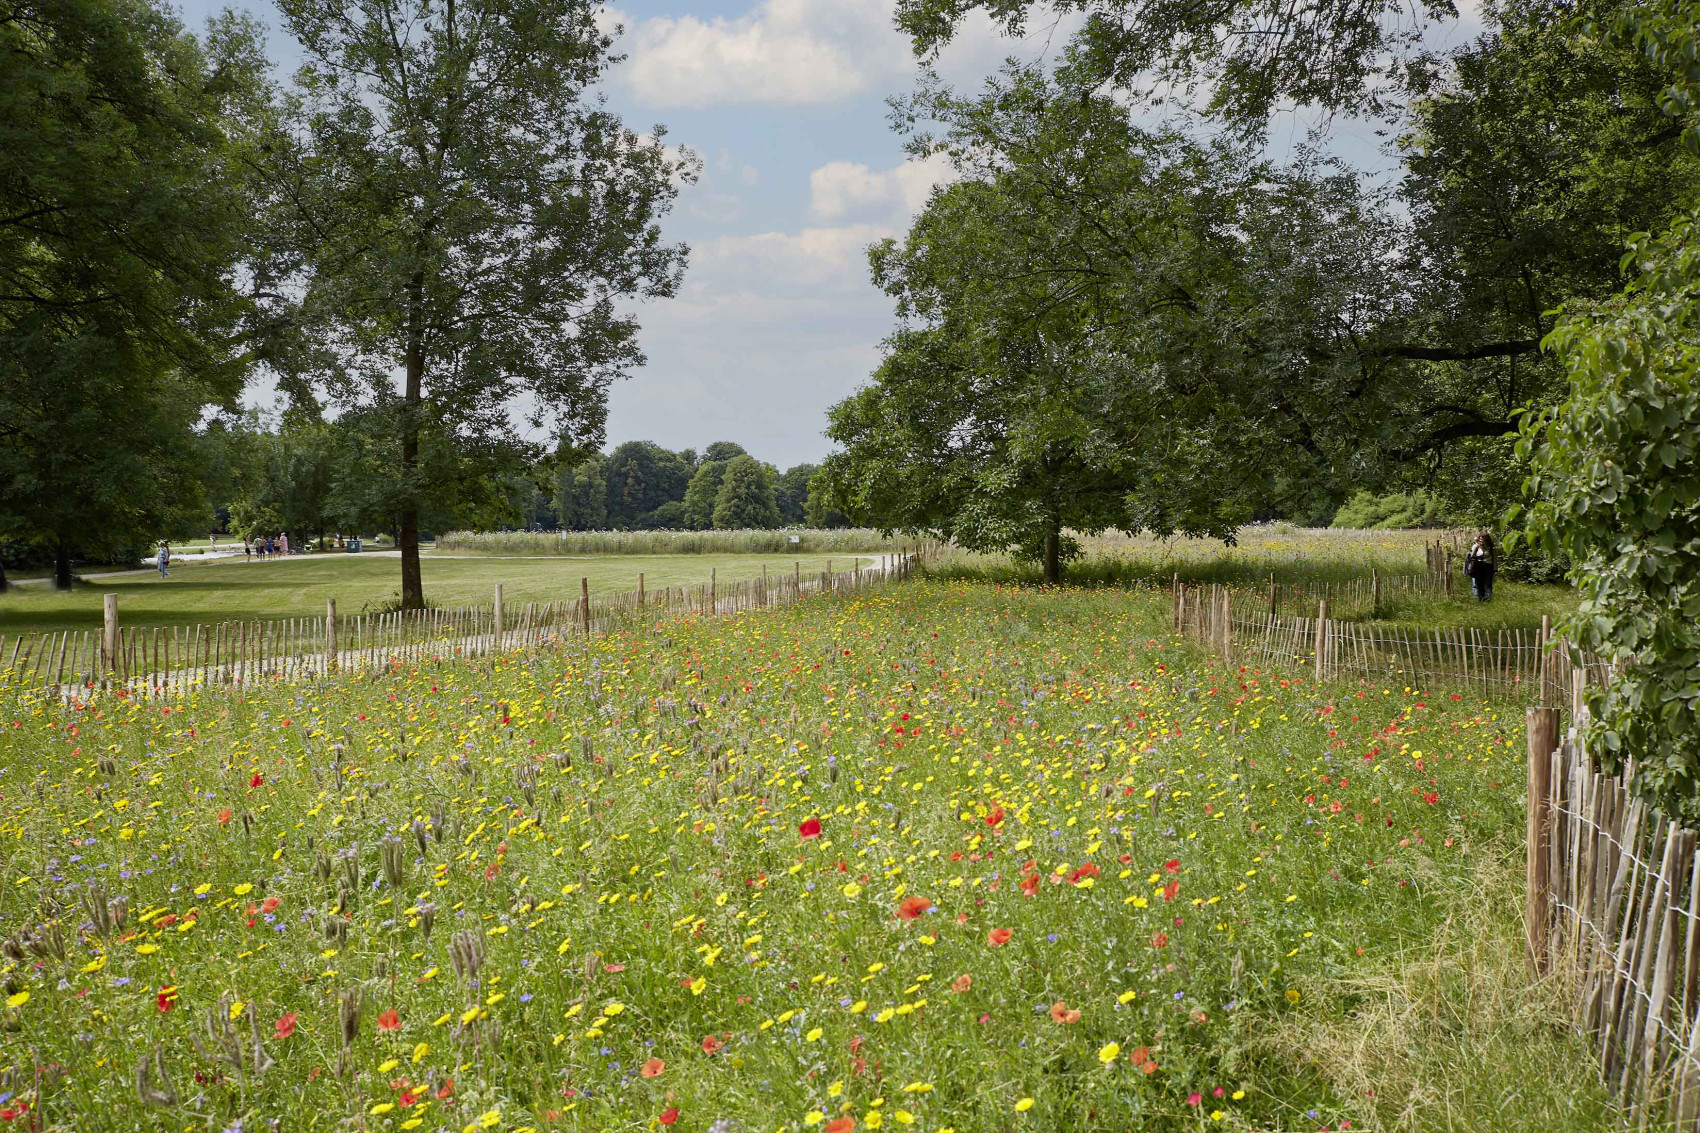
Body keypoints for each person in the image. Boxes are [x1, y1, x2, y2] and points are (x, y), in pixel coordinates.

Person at [1465, 531, 1496, 602]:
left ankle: (1488, 598)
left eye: (1483, 538)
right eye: (1480, 538)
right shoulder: (1476, 546)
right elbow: (1472, 556)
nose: (1481, 540)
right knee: (1479, 583)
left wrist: (1495, 569)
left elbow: (1494, 560)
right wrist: (1477, 545)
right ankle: (1481, 599)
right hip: (1478, 567)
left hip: (1488, 567)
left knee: (1488, 583)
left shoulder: (1491, 548)